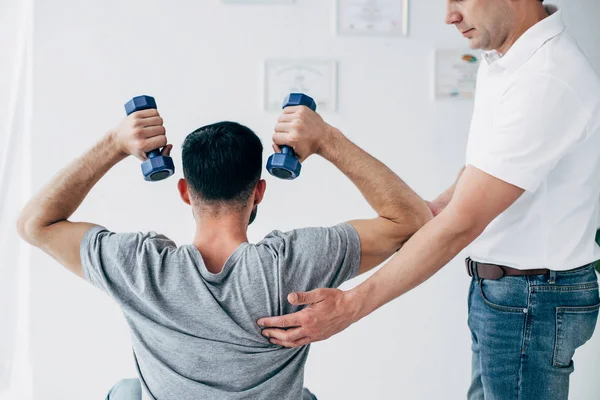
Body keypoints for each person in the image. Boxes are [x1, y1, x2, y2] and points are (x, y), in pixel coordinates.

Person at [258, 2, 600, 399]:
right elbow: (484, 171)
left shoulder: (547, 79)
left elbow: (461, 224)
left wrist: (349, 307)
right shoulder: (506, 58)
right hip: (506, 291)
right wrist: (432, 211)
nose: (449, 16)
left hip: (531, 298)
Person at [16, 104, 432, 399]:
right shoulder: (296, 261)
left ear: (184, 191)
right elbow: (411, 220)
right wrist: (326, 140)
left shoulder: (139, 266)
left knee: (124, 393)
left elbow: (35, 223)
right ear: (259, 192)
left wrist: (113, 143)